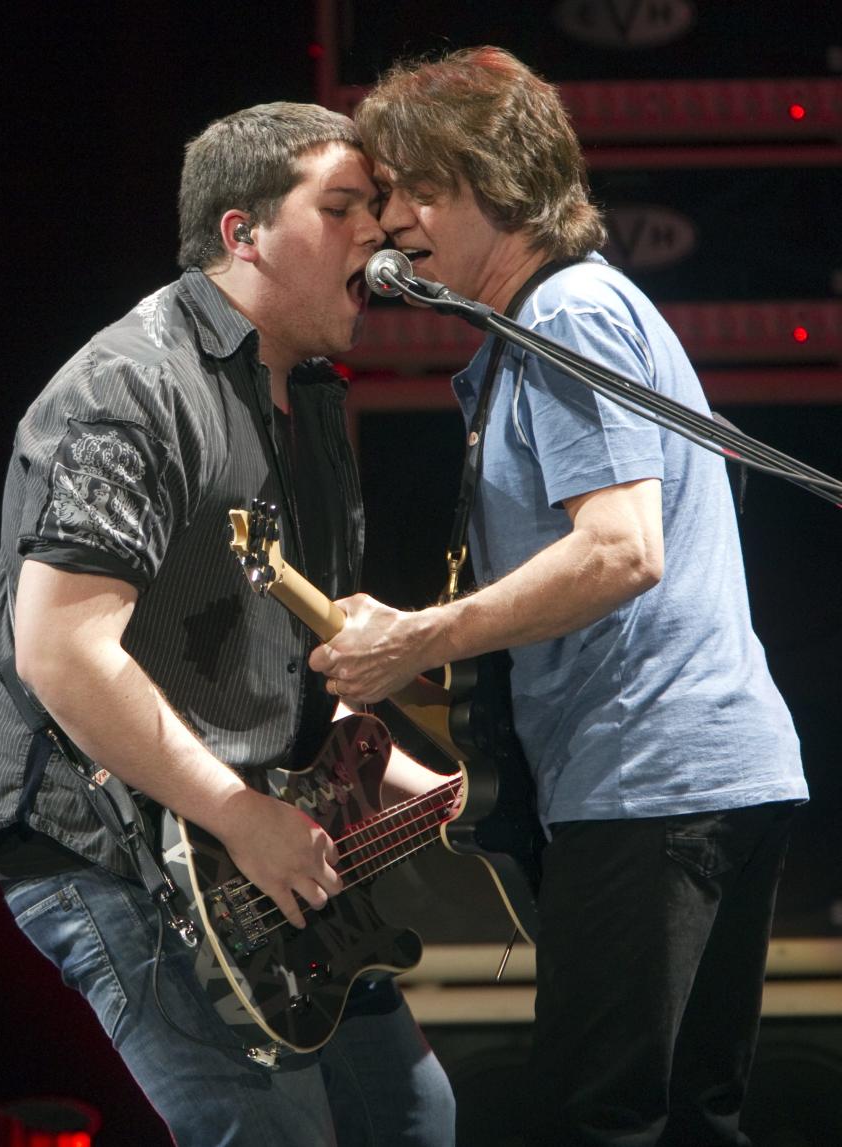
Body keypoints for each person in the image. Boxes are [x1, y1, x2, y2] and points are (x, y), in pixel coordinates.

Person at [307, 48, 809, 1146]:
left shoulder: (569, 314)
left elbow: (621, 552)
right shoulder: (540, 332)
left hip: (650, 785)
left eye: (412, 190)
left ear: (494, 180)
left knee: (611, 1123)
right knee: (685, 1120)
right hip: (692, 775)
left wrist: (417, 638)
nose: (391, 224)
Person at [0, 102, 456, 1147]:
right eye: (341, 207)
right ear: (242, 235)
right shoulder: (131, 387)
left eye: (374, 207)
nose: (375, 232)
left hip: (244, 840)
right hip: (111, 851)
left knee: (410, 1120)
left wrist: (426, 782)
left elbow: (282, 667)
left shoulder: (307, 398)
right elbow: (59, 648)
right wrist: (240, 815)